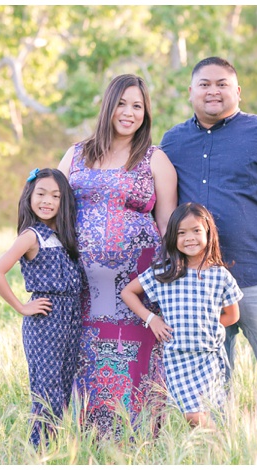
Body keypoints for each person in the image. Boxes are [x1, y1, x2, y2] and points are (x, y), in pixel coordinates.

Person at [160, 56, 257, 418]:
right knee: (211, 380)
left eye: (222, 84)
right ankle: (222, 450)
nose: (213, 91)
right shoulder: (173, 141)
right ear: (191, 92)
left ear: (237, 91)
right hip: (201, 284)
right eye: (205, 84)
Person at [58, 74, 177, 439]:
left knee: (134, 360)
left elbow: (168, 226)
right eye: (122, 104)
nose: (129, 113)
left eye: (137, 106)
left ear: (146, 113)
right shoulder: (77, 154)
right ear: (108, 106)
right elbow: (51, 209)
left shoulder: (155, 159)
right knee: (85, 360)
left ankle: (138, 441)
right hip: (83, 290)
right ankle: (88, 442)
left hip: (136, 290)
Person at [121, 202, 242, 429]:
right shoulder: (164, 271)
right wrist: (151, 319)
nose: (189, 238)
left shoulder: (219, 275)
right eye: (181, 233)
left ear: (208, 232)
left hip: (208, 357)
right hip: (177, 357)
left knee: (207, 412)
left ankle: (217, 453)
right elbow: (128, 292)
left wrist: (206, 327)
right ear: (173, 238)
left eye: (196, 230)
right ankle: (219, 443)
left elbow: (232, 315)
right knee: (192, 416)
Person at [0, 167, 84, 447]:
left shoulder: (64, 235)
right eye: (41, 193)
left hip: (71, 318)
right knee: (47, 391)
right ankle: (38, 451)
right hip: (46, 320)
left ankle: (55, 449)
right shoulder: (31, 236)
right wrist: (21, 307)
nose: (48, 201)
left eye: (55, 196)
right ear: (29, 195)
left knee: (64, 391)